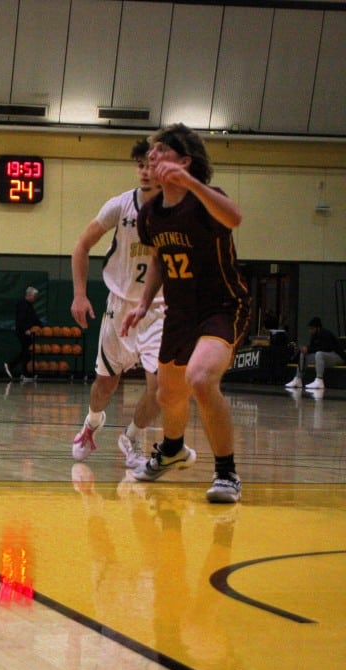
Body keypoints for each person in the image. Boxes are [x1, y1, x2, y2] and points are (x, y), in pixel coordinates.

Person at [121, 123, 249, 504]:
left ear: (185, 160)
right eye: (151, 152)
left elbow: (235, 218)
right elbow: (160, 258)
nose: (153, 156)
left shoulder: (206, 200)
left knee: (201, 378)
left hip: (221, 307)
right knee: (169, 394)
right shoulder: (150, 214)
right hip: (179, 313)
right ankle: (173, 449)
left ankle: (226, 473)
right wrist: (144, 303)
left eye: (162, 151)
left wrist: (192, 184)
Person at [70, 139, 163, 469]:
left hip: (159, 310)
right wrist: (80, 295)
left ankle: (134, 434)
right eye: (140, 165)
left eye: (151, 165)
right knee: (105, 384)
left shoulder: (178, 211)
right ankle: (93, 422)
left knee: (161, 386)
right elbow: (81, 246)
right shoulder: (119, 206)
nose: (145, 172)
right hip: (120, 306)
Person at [284, 316, 345, 391]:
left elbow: (326, 348)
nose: (310, 331)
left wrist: (309, 349)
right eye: (309, 329)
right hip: (324, 357)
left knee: (319, 354)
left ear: (318, 328)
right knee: (304, 354)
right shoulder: (314, 336)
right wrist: (306, 349)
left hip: (337, 356)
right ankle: (298, 379)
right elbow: (313, 348)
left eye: (312, 329)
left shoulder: (326, 334)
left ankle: (319, 380)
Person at [5, 286, 40, 380]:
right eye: (34, 295)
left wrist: (42, 327)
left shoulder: (30, 305)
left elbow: (34, 319)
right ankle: (12, 367)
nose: (35, 297)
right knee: (26, 351)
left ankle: (23, 372)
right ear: (29, 295)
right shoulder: (22, 304)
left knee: (27, 352)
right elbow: (20, 320)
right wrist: (25, 330)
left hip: (28, 331)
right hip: (22, 332)